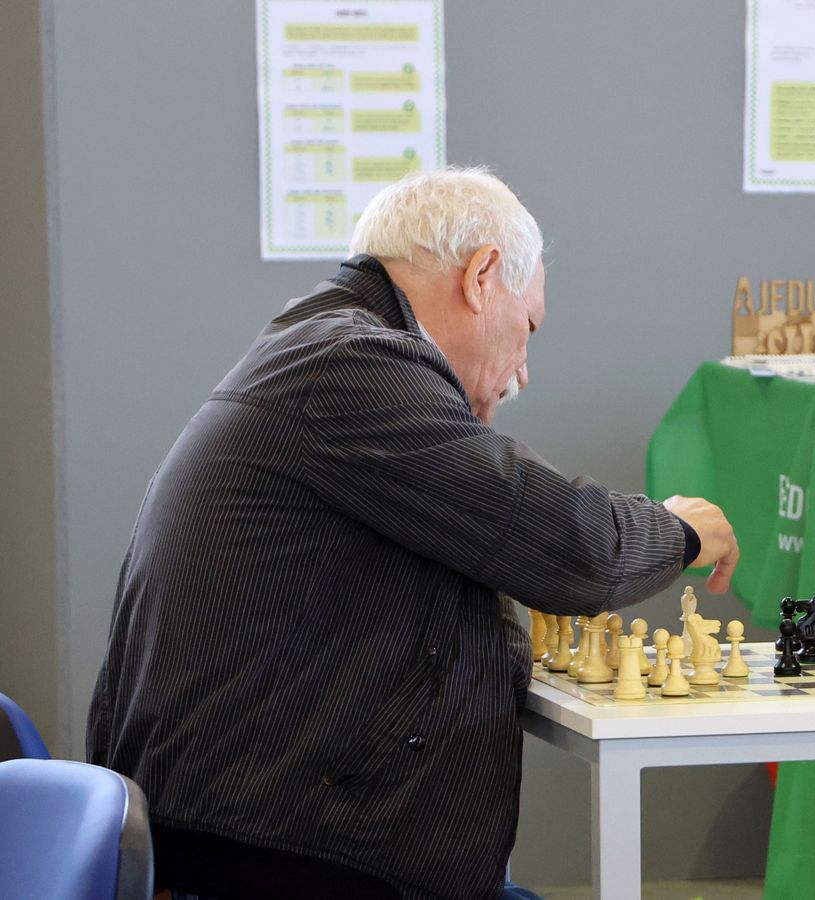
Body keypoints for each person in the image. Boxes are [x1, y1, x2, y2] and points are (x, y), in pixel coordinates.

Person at [86, 168, 740, 900]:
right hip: (275, 853)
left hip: (253, 829)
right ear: (482, 276)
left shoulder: (322, 342)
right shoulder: (353, 366)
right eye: (527, 330)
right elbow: (569, 547)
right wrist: (677, 530)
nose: (524, 370)